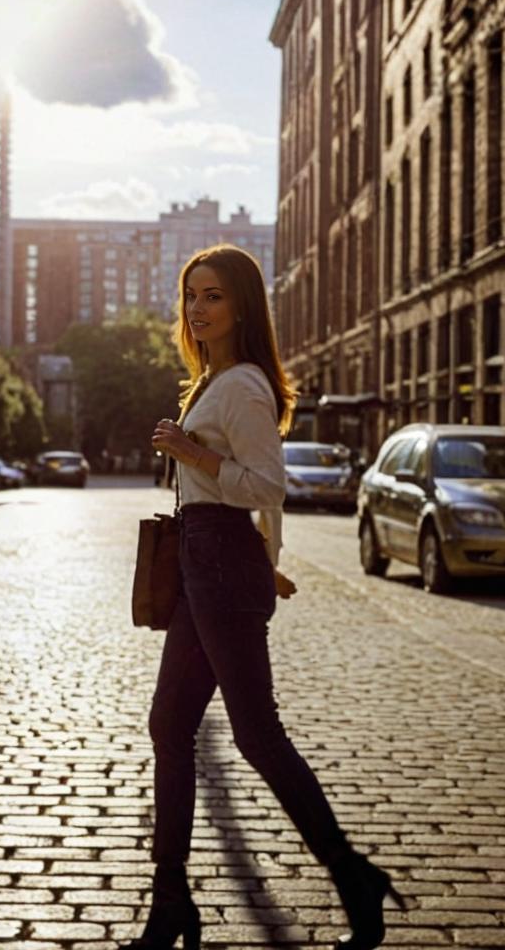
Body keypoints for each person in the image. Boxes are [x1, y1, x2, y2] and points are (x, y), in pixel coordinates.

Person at [123, 245, 405, 950]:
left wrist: (194, 456)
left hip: (218, 565)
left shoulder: (244, 384)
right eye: (191, 295)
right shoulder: (212, 381)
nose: (197, 308)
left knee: (257, 735)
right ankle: (169, 902)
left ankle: (352, 875)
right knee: (169, 727)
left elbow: (266, 487)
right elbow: (241, 504)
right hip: (204, 561)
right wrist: (251, 552)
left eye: (213, 295)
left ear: (243, 305)